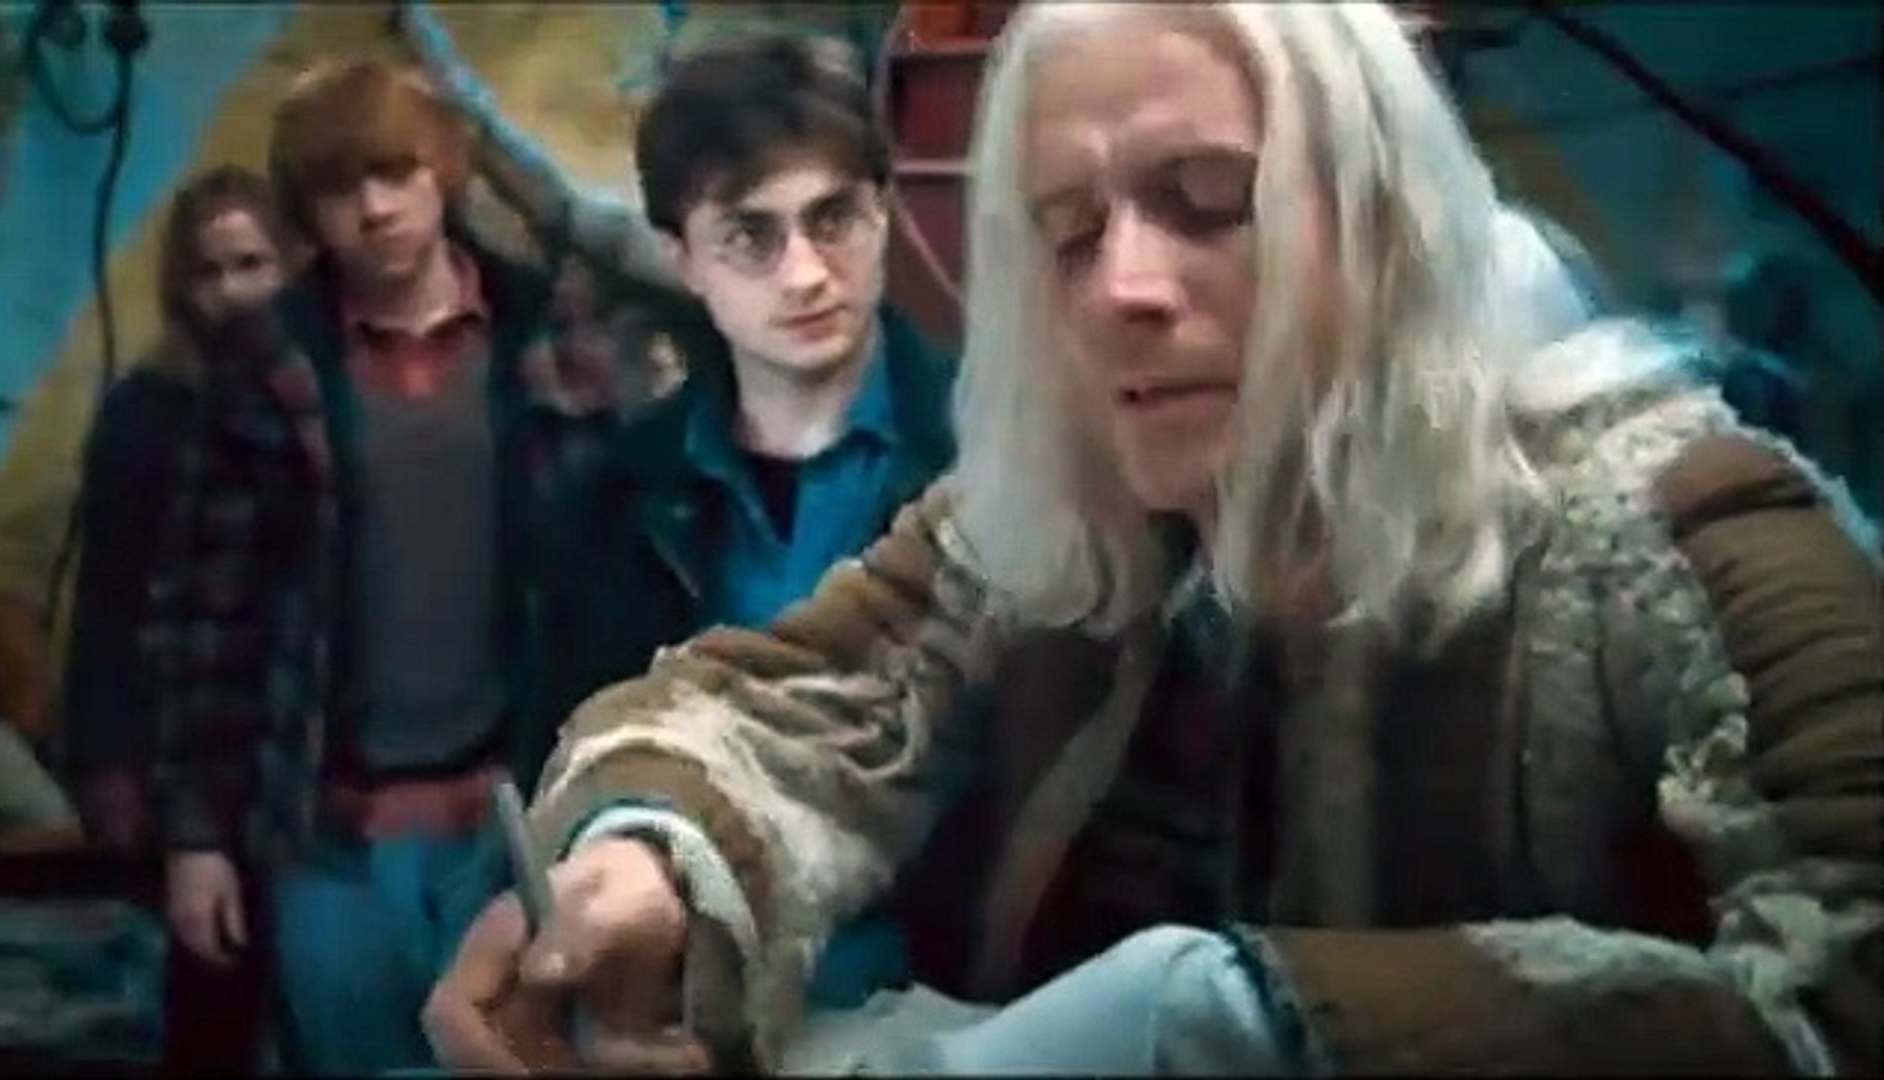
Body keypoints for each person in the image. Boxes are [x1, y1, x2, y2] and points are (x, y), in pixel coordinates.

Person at [421, 2, 1884, 1075]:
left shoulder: (1683, 531)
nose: (1119, 288)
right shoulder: (1072, 504)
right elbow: (803, 699)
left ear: (1379, 217)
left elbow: (1838, 1002)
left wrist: (1226, 1018)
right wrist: (643, 863)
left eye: (1208, 204)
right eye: (1066, 230)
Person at [401, 17, 965, 1012]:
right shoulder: (617, 498)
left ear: (883, 213)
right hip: (677, 1003)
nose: (804, 273)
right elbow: (560, 760)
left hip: (941, 1002)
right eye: (750, 236)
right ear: (685, 259)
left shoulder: (985, 460)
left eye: (834, 218)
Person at [134, 58, 622, 1075]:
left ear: (442, 170)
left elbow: (612, 581)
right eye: (338, 188)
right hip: (331, 838)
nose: (374, 209)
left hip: (513, 817)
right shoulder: (265, 364)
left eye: (395, 172)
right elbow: (202, 620)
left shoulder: (543, 335)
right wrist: (195, 838)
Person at [62, 164, 296, 852]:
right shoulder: (146, 412)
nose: (232, 291)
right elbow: (107, 597)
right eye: (209, 272)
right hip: (177, 723)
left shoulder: (318, 398)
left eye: (251, 264)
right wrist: (109, 762)